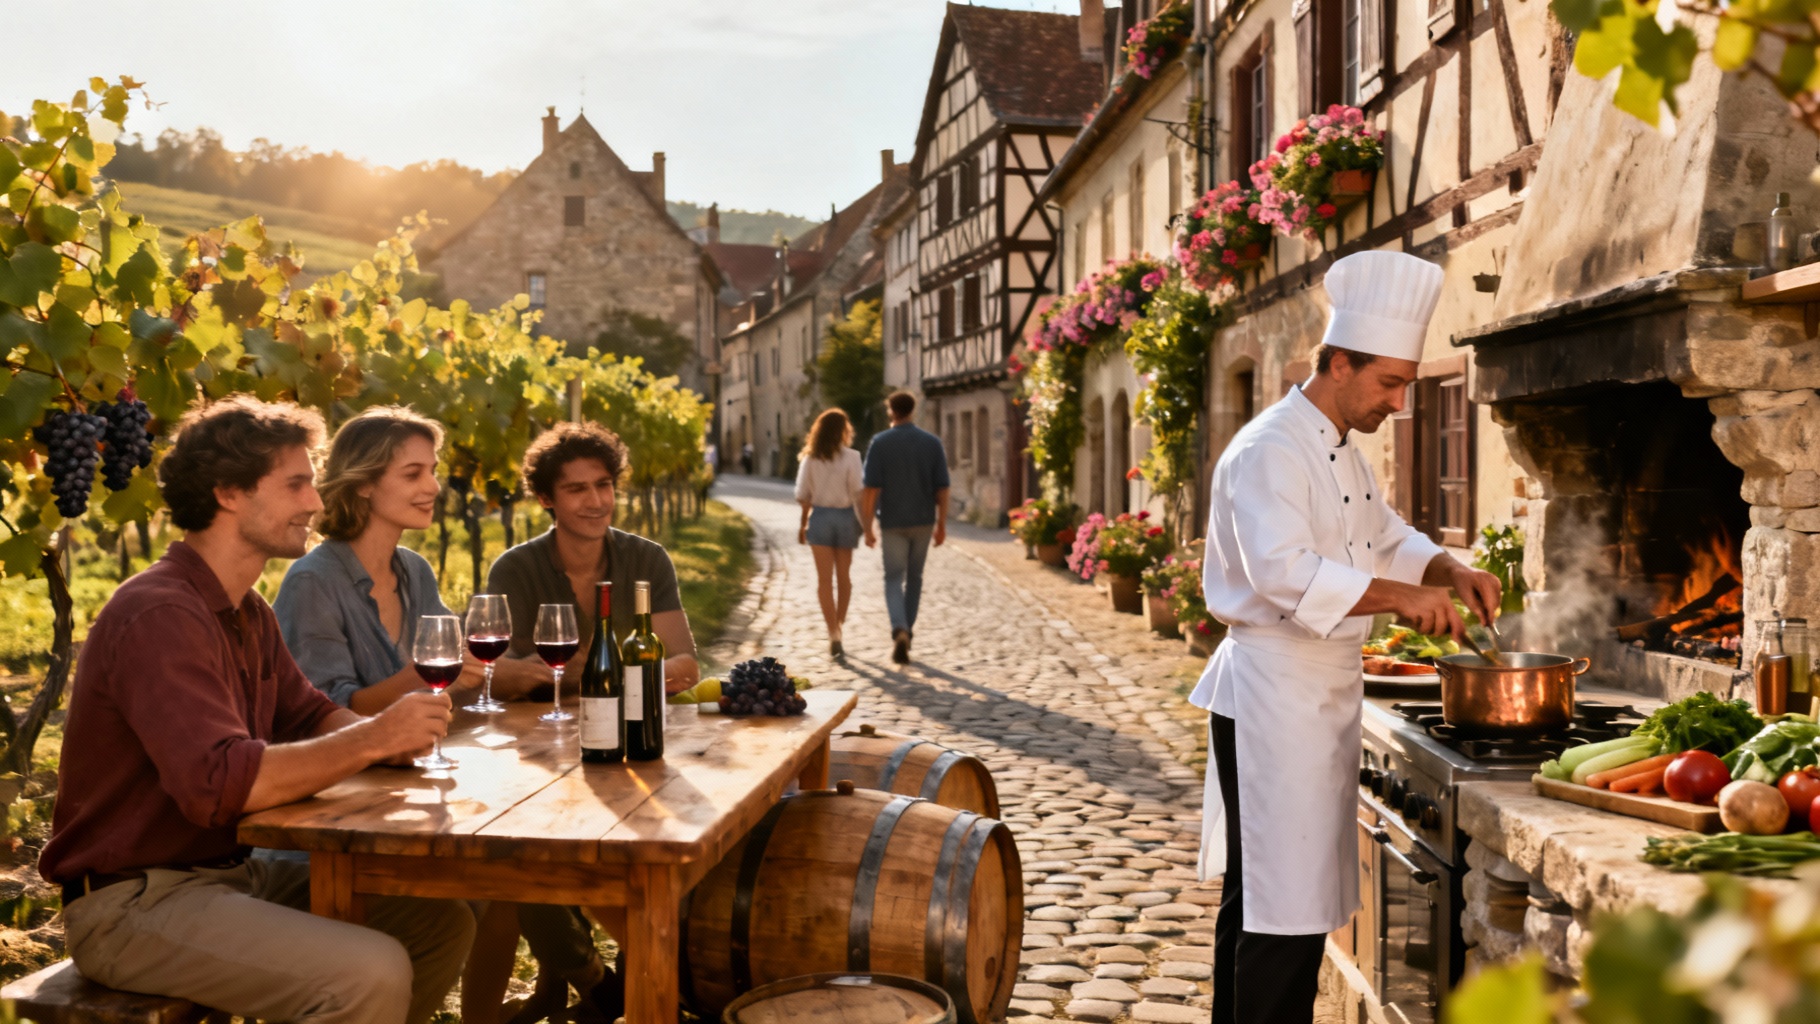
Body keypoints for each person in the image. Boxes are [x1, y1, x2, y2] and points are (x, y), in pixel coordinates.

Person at [40, 396, 473, 1024]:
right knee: (368, 972)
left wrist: (387, 738)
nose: (317, 503)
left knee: (438, 922)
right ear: (228, 493)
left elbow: (310, 717)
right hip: (135, 904)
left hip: (229, 877)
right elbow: (219, 785)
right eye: (296, 484)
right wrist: (375, 737)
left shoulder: (247, 610)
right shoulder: (161, 613)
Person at [1193, 251, 1503, 1024]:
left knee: (1267, 900)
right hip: (1274, 696)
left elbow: (1381, 532)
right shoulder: (1271, 449)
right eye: (1389, 383)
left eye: (1404, 383)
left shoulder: (1336, 446)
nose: (1398, 402)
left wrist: (1445, 566)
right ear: (1338, 364)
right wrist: (1405, 598)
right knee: (1283, 916)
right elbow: (1283, 573)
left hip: (1314, 696)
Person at [268, 406, 595, 1024]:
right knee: (490, 875)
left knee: (505, 873)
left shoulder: (413, 572)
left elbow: (449, 685)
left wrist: (487, 676)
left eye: (433, 470)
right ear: (365, 483)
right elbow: (327, 710)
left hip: (401, 796)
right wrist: (439, 672)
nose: (433, 487)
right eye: (413, 473)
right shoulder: (315, 582)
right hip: (329, 819)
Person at [488, 421, 701, 695]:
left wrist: (602, 673)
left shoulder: (648, 560)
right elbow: (490, 676)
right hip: (540, 732)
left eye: (603, 485)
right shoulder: (515, 570)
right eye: (577, 490)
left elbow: (686, 668)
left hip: (630, 727)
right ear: (545, 499)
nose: (597, 501)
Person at [860, 390, 949, 665]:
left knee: (892, 578)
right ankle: (907, 631)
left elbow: (871, 488)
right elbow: (942, 489)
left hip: (893, 522)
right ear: (912, 410)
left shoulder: (880, 443)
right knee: (915, 578)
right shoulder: (932, 443)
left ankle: (899, 627)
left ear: (891, 411)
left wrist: (867, 526)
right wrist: (942, 523)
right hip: (923, 520)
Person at [794, 408, 864, 659]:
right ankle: (839, 627)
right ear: (843, 430)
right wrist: (865, 524)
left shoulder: (810, 459)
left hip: (820, 517)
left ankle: (832, 630)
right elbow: (858, 492)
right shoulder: (853, 457)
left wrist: (803, 524)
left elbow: (803, 496)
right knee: (844, 577)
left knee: (824, 581)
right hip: (845, 517)